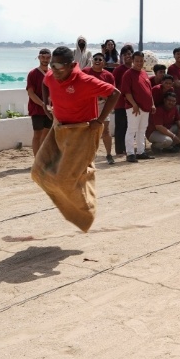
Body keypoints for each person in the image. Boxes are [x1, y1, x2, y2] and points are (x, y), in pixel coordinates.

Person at [35, 46, 120, 232]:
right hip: (60, 128)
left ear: (72, 65)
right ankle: (83, 171)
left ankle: (85, 213)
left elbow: (114, 93)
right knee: (37, 172)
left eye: (58, 66)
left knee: (64, 180)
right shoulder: (51, 76)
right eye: (51, 65)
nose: (54, 70)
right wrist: (45, 103)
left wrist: (100, 121)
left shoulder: (85, 80)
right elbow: (44, 82)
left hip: (83, 130)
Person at [120, 50, 154, 162]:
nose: (139, 63)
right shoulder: (128, 74)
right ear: (133, 61)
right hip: (134, 108)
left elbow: (149, 90)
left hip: (146, 107)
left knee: (142, 130)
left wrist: (152, 104)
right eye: (137, 61)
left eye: (141, 61)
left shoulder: (144, 73)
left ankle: (141, 151)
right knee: (132, 130)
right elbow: (126, 92)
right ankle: (130, 153)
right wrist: (134, 104)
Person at [83, 53, 117, 164]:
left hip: (103, 105)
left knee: (105, 130)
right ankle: (89, 155)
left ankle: (108, 154)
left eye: (100, 59)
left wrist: (103, 96)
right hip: (88, 105)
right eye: (95, 59)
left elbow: (113, 92)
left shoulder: (108, 76)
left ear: (104, 62)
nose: (97, 61)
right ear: (92, 60)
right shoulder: (85, 72)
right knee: (88, 130)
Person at [26, 48, 53, 158]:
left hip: (51, 109)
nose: (45, 60)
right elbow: (31, 93)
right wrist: (42, 104)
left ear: (50, 58)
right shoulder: (33, 73)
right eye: (43, 57)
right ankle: (37, 159)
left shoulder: (53, 73)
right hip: (37, 109)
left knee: (46, 134)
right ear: (39, 58)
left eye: (47, 57)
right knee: (37, 134)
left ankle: (43, 157)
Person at [111, 44, 135, 156]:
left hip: (132, 103)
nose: (127, 56)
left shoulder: (135, 69)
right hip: (120, 103)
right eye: (124, 54)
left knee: (129, 127)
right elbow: (112, 86)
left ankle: (127, 148)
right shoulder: (118, 70)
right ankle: (119, 150)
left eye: (129, 54)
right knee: (120, 127)